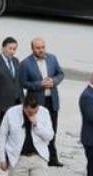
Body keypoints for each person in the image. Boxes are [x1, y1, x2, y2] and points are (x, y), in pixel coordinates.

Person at [19, 38, 65, 166]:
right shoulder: (25, 64)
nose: (41, 50)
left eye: (43, 47)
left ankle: (52, 158)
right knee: (35, 128)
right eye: (38, 48)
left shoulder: (52, 58)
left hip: (52, 100)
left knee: (52, 129)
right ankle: (36, 154)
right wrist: (39, 84)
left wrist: (53, 81)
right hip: (37, 102)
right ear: (32, 49)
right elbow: (23, 83)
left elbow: (60, 74)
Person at [0, 36, 22, 129]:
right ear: (3, 48)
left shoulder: (16, 61)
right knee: (4, 131)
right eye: (10, 48)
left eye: (14, 49)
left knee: (15, 130)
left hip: (16, 103)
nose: (12, 51)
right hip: (2, 106)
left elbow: (17, 81)